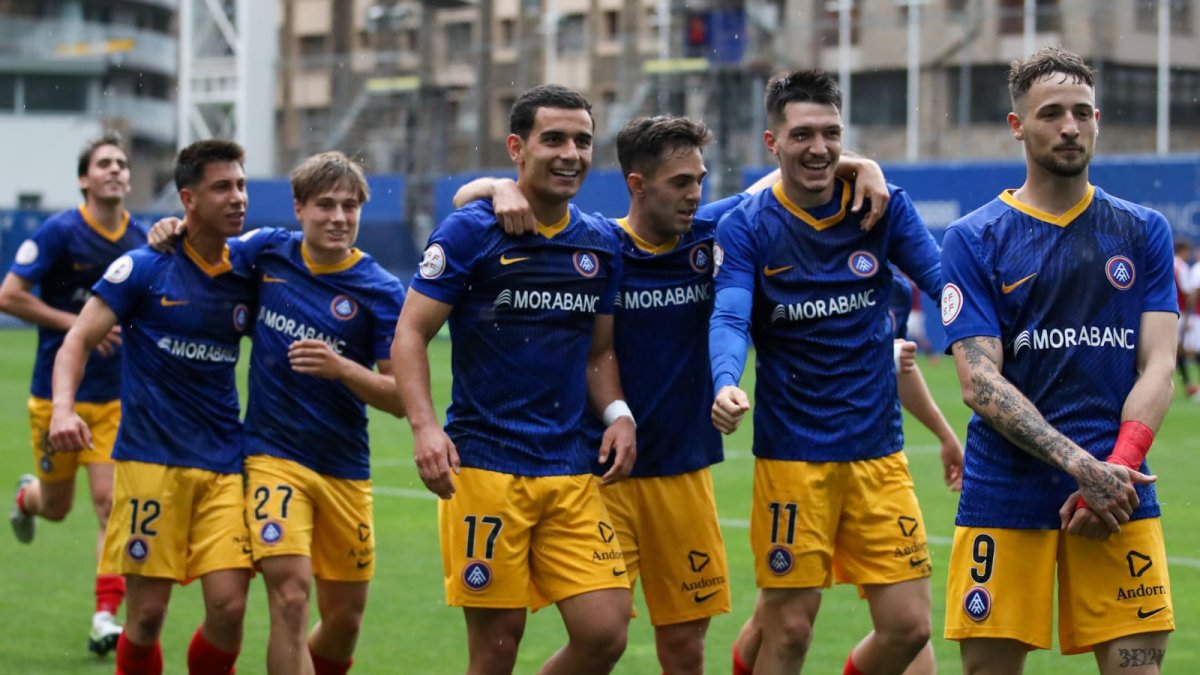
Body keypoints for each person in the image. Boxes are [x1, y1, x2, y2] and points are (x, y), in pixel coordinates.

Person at [451, 115, 894, 675]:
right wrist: (498, 186)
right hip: (606, 476)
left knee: (685, 651)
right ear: (638, 185)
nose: (694, 194)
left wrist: (864, 164)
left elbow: (788, 181)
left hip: (685, 473)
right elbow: (468, 200)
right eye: (680, 182)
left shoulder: (714, 233)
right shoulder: (600, 243)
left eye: (700, 180)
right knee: (601, 638)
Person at [940, 47, 1174, 673]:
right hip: (1004, 493)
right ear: (1018, 125)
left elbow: (1158, 366)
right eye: (1050, 114)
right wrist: (1079, 465)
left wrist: (1114, 472)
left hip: (1120, 494)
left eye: (1081, 112)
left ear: (1096, 118)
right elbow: (977, 380)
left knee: (1138, 670)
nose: (1069, 126)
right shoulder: (973, 237)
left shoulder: (1141, 229)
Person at [708, 69, 947, 675]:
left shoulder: (882, 207)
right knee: (787, 634)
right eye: (802, 134)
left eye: (831, 134)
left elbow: (945, 284)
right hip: (792, 458)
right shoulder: (747, 224)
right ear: (773, 142)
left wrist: (990, 345)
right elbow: (731, 317)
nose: (818, 148)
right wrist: (726, 380)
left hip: (877, 454)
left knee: (910, 629)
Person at [392, 84, 636, 675]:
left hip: (571, 470)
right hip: (485, 469)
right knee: (497, 651)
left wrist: (618, 414)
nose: (569, 153)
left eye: (582, 141)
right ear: (516, 148)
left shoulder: (601, 243)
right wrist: (425, 430)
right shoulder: (470, 232)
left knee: (606, 633)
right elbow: (409, 336)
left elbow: (598, 354)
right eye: (553, 139)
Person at [148, 150, 407, 675]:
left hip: (345, 469)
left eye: (350, 206)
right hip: (271, 458)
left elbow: (402, 398)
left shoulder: (380, 290)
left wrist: (344, 370)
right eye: (325, 205)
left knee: (343, 622)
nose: (339, 217)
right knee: (290, 599)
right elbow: (205, 250)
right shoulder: (266, 253)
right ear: (298, 208)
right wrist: (175, 226)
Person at [48, 139, 257, 675]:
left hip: (222, 467)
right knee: (145, 619)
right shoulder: (142, 268)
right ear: (187, 198)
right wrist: (63, 409)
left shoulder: (253, 269)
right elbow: (76, 342)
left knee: (230, 608)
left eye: (241, 184)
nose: (238, 198)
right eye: (222, 188)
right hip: (148, 466)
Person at [0, 133, 145, 656]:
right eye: (104, 163)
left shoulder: (142, 242)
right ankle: (27, 498)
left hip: (114, 400)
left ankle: (105, 613)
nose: (114, 170)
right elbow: (9, 295)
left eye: (121, 164)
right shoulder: (60, 233)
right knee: (57, 507)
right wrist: (77, 324)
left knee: (111, 503)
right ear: (84, 178)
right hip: (54, 394)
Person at [1174, 239, 1196, 398]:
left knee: (1177, 350)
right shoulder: (1181, 267)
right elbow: (1187, 292)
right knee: (1177, 350)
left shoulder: (1169, 262)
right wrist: (1189, 315)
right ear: (1184, 251)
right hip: (1178, 313)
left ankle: (1187, 384)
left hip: (1166, 311)